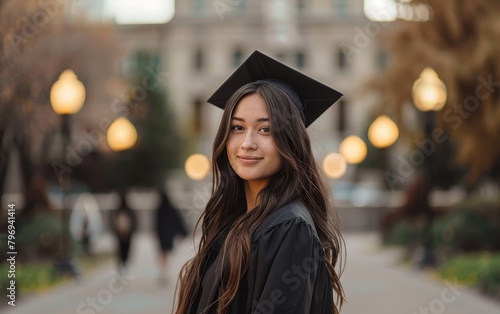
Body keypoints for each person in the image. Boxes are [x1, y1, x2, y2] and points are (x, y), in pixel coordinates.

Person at [175, 51, 346, 314]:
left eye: (266, 129)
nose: (247, 143)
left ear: (290, 140)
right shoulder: (235, 220)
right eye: (237, 128)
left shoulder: (290, 228)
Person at [155, 188, 188, 285]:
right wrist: (182, 232)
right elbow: (177, 221)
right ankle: (165, 272)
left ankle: (164, 272)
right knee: (167, 254)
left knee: (164, 254)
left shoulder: (160, 209)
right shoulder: (170, 208)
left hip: (162, 236)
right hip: (168, 236)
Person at [111, 190, 137, 273]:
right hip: (126, 234)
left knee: (121, 250)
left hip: (120, 234)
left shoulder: (117, 211)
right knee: (125, 250)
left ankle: (122, 266)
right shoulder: (129, 210)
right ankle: (124, 266)